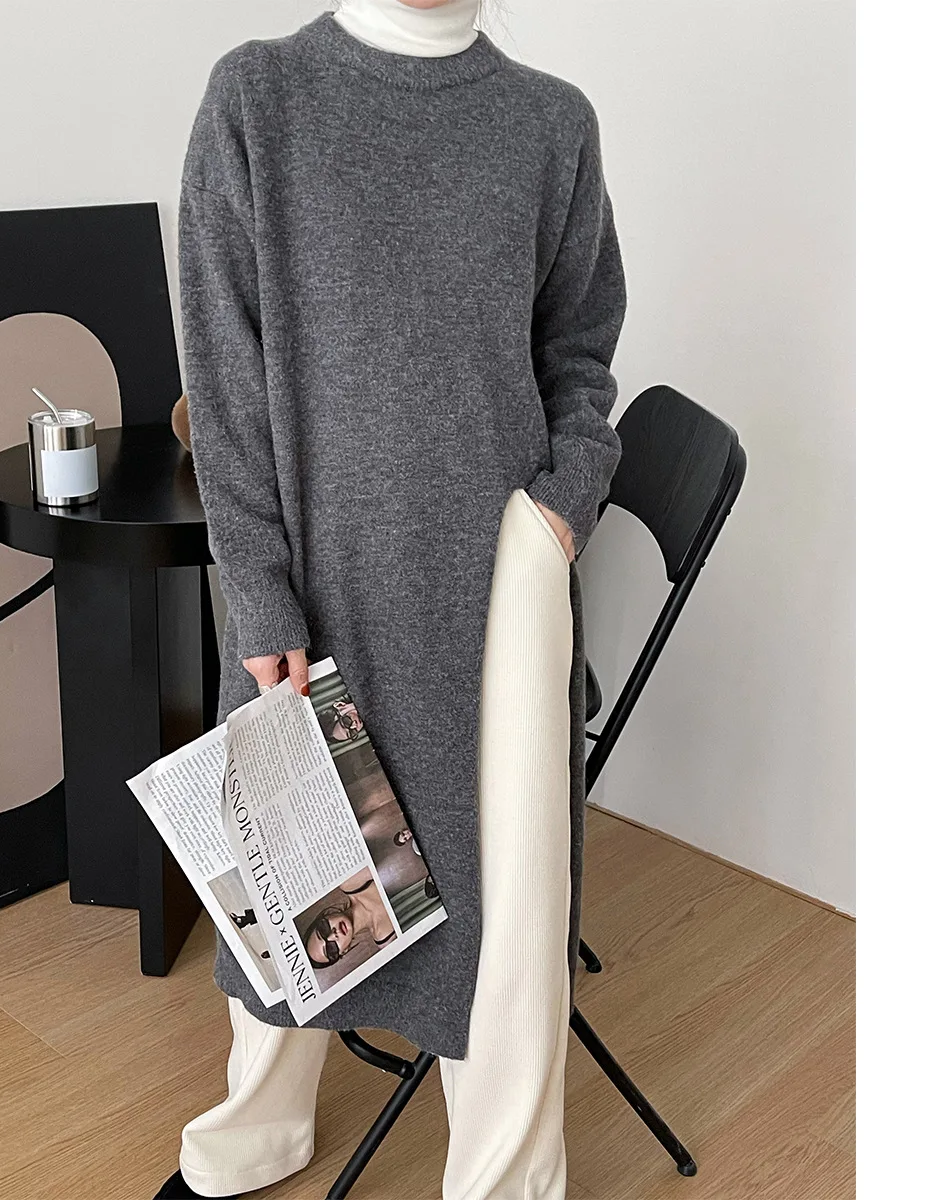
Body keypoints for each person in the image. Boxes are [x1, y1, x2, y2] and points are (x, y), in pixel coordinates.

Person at [159, 1, 625, 1196]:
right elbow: (223, 383)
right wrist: (259, 591)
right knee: (292, 854)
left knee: (500, 894)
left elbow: (580, 357)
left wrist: (557, 510)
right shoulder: (259, 97)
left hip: (496, 590)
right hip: (315, 575)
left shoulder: (548, 124)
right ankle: (262, 1122)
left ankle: (504, 1174)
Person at [304, 874, 397, 969]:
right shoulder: (387, 941)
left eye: (323, 929)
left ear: (326, 916)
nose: (332, 935)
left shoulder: (350, 882)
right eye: (331, 949)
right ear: (344, 951)